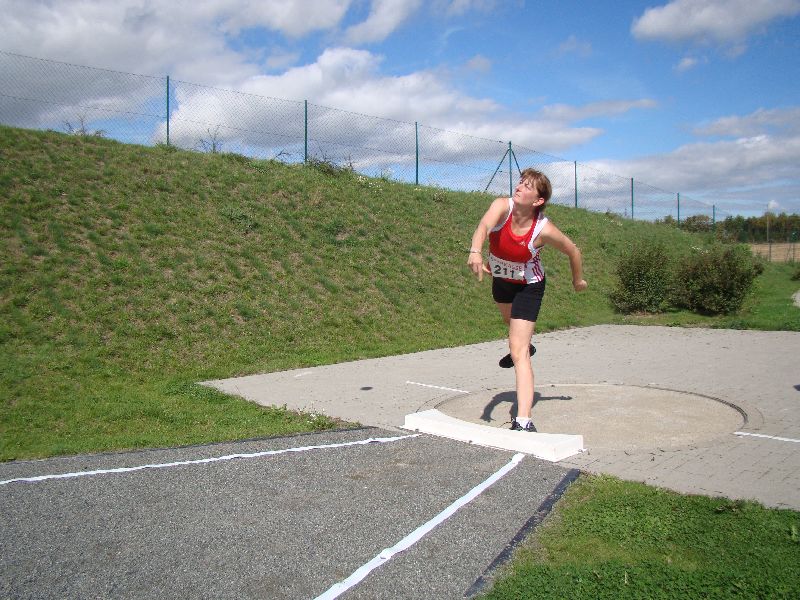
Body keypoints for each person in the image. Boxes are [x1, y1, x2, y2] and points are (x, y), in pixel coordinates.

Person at [467, 168, 587, 432]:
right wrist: (476, 251)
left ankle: (523, 420)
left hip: (528, 287)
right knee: (512, 329)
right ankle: (524, 345)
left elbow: (573, 251)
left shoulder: (543, 229)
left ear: (538, 200)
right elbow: (484, 226)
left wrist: (577, 280)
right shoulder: (502, 206)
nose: (519, 186)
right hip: (501, 282)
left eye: (528, 186)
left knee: (517, 349)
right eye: (520, 182)